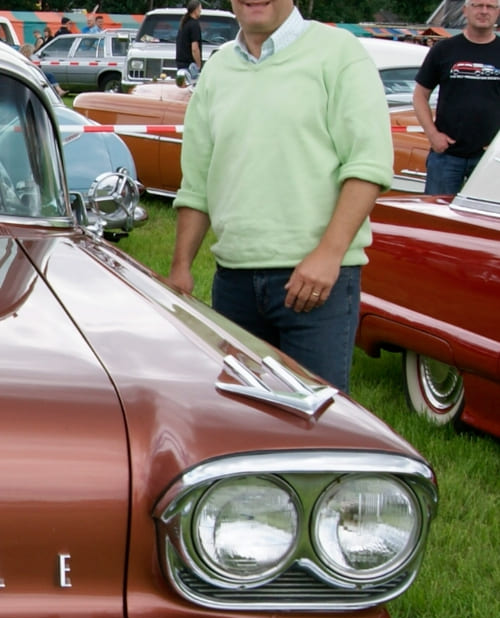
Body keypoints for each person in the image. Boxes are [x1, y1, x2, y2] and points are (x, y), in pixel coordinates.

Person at [166, 0, 392, 394]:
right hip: (233, 285)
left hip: (316, 285)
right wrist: (180, 268)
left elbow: (367, 165)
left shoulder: (339, 54)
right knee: (240, 420)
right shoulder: (218, 69)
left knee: (315, 429)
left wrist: (327, 255)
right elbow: (197, 181)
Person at [412, 0, 500, 194]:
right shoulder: (444, 50)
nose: (484, 11)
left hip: (490, 159)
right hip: (446, 155)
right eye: (478, 5)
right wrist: (433, 135)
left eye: (490, 7)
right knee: (438, 218)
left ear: (497, 12)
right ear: (465, 11)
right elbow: (419, 95)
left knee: (485, 222)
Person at [176, 0, 203, 82]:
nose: (201, 11)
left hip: (181, 64)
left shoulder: (184, 24)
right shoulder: (194, 25)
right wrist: (198, 65)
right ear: (195, 10)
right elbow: (195, 48)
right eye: (200, 9)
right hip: (190, 66)